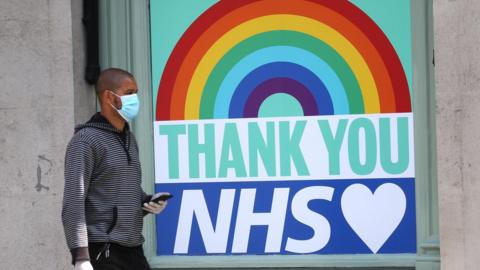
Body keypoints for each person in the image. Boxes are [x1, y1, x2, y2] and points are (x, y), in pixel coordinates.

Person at [62, 68, 168, 270]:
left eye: (136, 92)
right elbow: (73, 203)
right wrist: (81, 257)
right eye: (129, 93)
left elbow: (121, 191)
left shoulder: (129, 139)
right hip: (103, 250)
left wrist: (146, 202)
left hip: (133, 247)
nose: (135, 99)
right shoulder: (85, 141)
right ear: (109, 97)